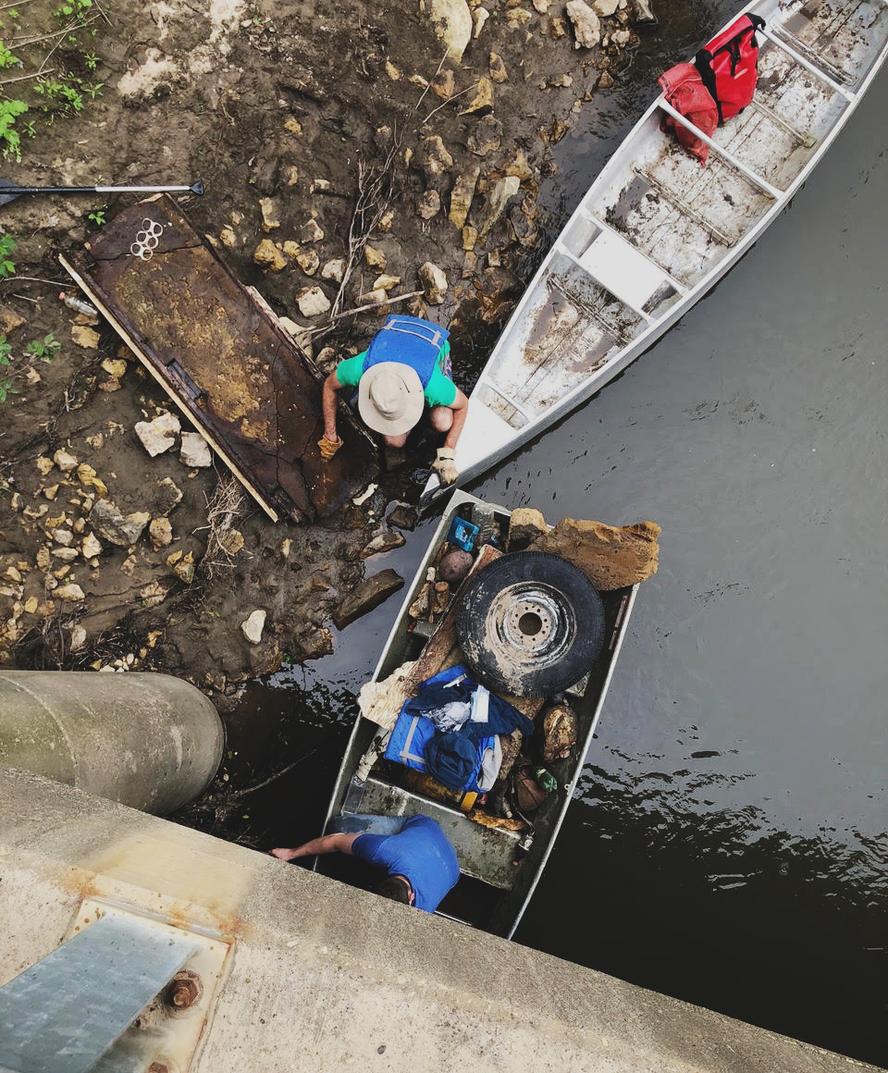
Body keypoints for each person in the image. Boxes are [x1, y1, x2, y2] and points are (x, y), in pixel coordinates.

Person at [317, 314, 469, 486]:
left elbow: (463, 405)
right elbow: (329, 385)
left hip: (432, 345)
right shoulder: (362, 367)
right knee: (394, 441)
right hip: (395, 338)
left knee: (442, 421)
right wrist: (330, 434)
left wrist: (448, 452)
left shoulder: (431, 385)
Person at [270, 813, 460, 913]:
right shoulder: (384, 850)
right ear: (411, 897)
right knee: (338, 826)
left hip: (446, 860)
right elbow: (335, 840)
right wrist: (291, 853)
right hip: (436, 847)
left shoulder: (422, 911)